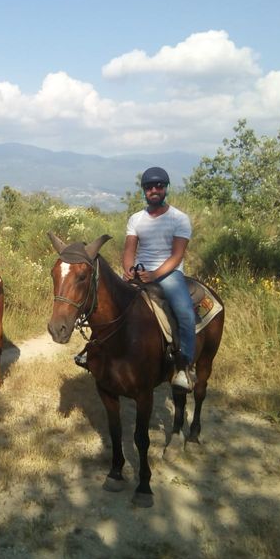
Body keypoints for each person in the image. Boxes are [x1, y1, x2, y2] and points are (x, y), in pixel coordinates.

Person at [122, 167, 195, 392]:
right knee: (106, 299)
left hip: (169, 273)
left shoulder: (179, 219)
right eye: (149, 187)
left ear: (166, 188)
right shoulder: (136, 218)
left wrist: (154, 275)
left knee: (185, 314)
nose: (154, 190)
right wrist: (128, 270)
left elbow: (177, 255)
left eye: (159, 186)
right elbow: (129, 250)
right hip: (140, 271)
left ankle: (185, 366)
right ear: (144, 190)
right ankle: (96, 352)